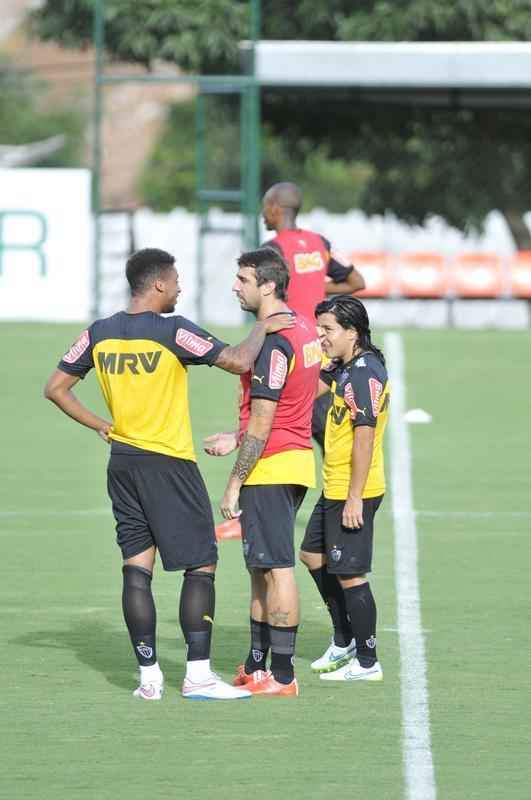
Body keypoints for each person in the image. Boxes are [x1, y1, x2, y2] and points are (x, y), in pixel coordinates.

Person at [43, 247, 294, 702]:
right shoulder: (173, 331)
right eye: (176, 281)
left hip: (122, 463)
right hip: (169, 463)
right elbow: (238, 360)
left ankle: (149, 677)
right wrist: (263, 326)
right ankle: (198, 675)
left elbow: (56, 388)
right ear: (158, 284)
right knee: (201, 565)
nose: (180, 288)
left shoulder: (99, 333)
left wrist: (102, 425)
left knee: (137, 569)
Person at [204, 247, 321, 697]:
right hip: (286, 458)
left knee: (277, 568)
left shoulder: (275, 341)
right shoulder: (304, 326)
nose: (236, 285)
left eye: (243, 279)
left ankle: (285, 677)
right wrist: (237, 437)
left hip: (272, 466)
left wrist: (234, 482)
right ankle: (256, 664)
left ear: (267, 285)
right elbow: (291, 403)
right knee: (259, 567)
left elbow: (264, 418)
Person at [299, 296, 389, 681]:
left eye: (328, 330)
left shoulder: (363, 375)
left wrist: (354, 497)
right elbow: (307, 392)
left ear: (352, 332)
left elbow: (364, 438)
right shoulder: (344, 366)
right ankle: (344, 638)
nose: (321, 336)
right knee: (311, 556)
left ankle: (367, 662)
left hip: (355, 490)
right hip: (334, 484)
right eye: (319, 328)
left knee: (350, 574)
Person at [261, 181, 366, 450]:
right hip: (321, 350)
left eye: (264, 207)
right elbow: (356, 282)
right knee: (333, 442)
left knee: (276, 436)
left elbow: (265, 300)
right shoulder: (320, 243)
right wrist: (318, 284)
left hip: (293, 351)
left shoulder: (272, 250)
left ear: (275, 208)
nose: (262, 214)